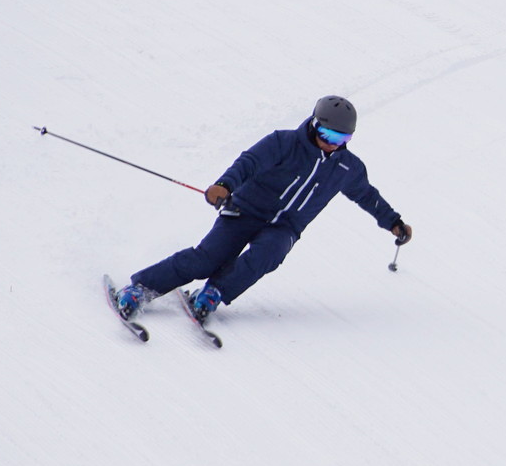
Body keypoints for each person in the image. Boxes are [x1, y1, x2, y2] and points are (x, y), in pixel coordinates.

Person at [115, 96, 412, 321]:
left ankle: (214, 293)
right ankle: (141, 288)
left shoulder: (347, 167)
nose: (332, 144)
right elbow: (249, 163)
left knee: (269, 254)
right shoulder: (284, 142)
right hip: (246, 210)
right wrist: (224, 186)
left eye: (342, 139)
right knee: (208, 258)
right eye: (328, 135)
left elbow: (366, 195)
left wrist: (393, 222)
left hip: (286, 226)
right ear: (314, 123)